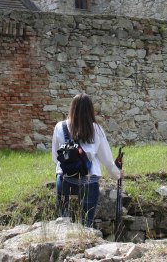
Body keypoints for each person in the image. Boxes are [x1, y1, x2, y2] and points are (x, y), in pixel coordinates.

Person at [51, 93, 121, 227]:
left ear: (72, 108)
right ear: (90, 110)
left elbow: (56, 157)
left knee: (63, 222)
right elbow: (107, 160)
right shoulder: (96, 129)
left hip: (65, 177)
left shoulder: (60, 127)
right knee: (86, 224)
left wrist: (70, 165)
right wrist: (117, 175)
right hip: (89, 179)